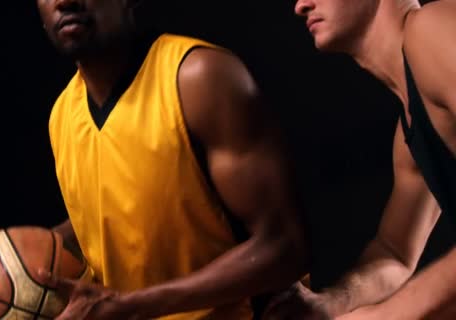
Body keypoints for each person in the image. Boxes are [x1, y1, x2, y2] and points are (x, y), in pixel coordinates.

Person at [31, 0, 310, 319]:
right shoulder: (62, 115)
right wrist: (31, 249)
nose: (64, 1)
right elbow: (129, 210)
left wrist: (133, 306)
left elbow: (286, 247)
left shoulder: (198, 77)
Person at [262, 0, 456, 319]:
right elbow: (395, 254)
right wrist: (330, 303)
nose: (300, 5)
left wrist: (389, 313)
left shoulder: (433, 28)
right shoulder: (409, 130)